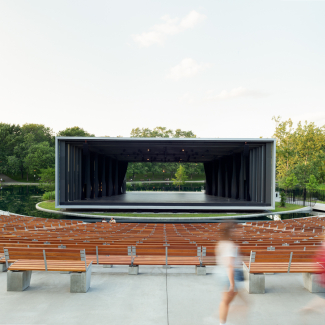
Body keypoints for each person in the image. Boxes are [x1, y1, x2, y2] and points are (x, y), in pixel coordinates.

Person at [215, 222, 247, 325]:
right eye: (237, 229)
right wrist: (232, 284)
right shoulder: (230, 245)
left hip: (223, 273)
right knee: (239, 303)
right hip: (231, 275)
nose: (240, 231)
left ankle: (220, 320)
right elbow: (229, 265)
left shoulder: (221, 243)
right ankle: (219, 319)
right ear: (231, 231)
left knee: (226, 301)